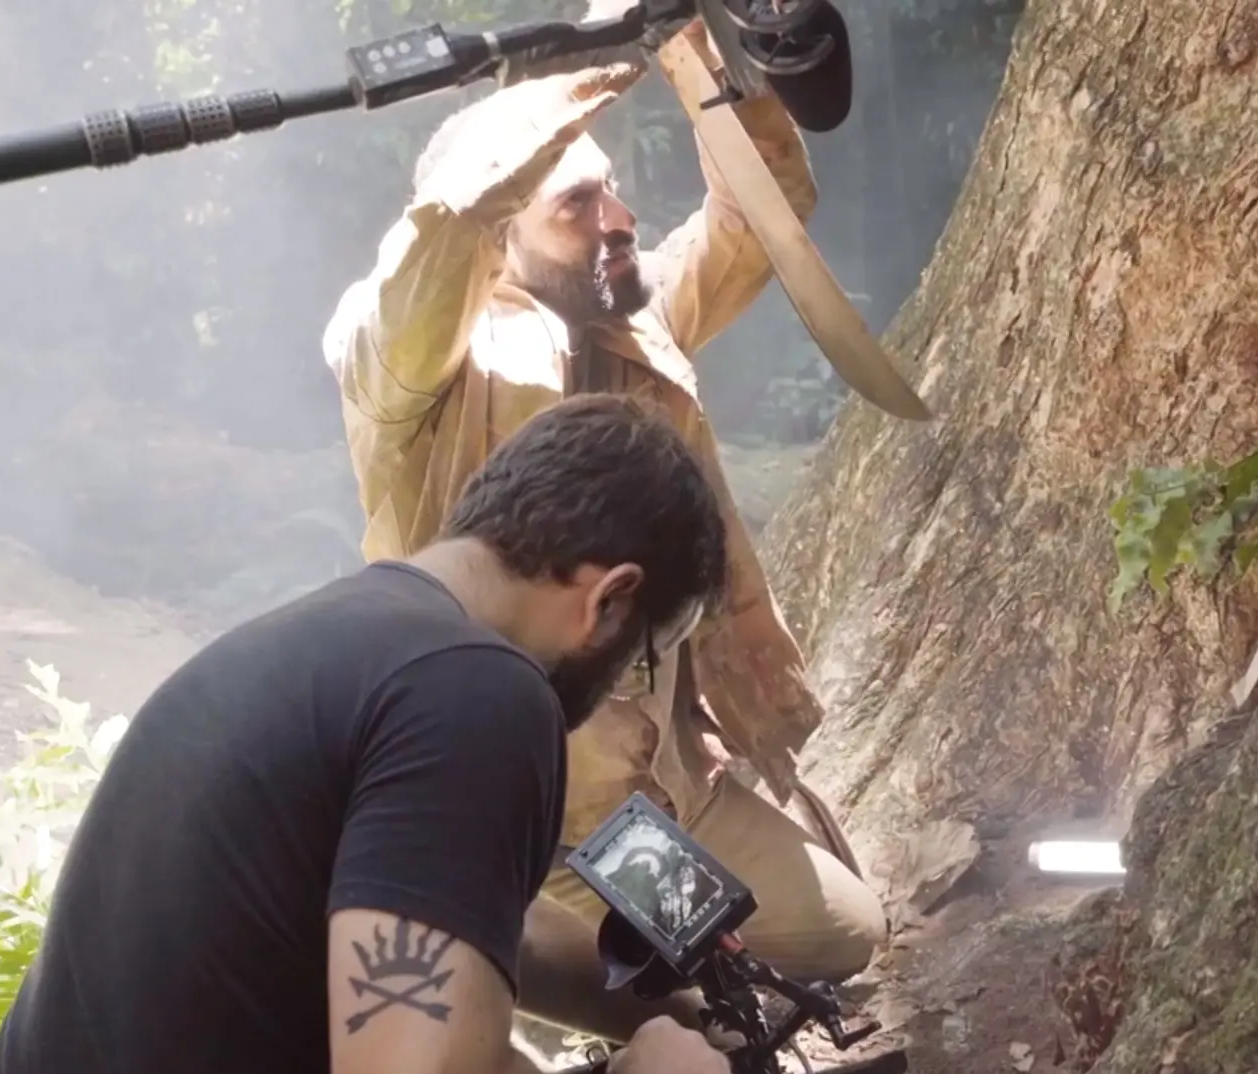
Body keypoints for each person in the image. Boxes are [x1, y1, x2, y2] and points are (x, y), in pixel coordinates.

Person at [320, 24, 888, 1044]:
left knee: (847, 931)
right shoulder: (408, 359)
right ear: (502, 227)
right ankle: (546, 962)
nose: (619, 220)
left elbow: (758, 215)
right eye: (576, 203)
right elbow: (440, 240)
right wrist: (598, 54)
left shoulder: (630, 317)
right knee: (696, 1008)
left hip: (664, 779)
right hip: (538, 807)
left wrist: (691, 47)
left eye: (613, 192)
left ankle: (650, 967)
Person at [0, 395, 733, 1074]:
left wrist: (688, 1015)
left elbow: (474, 920)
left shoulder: (329, 640)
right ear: (610, 601)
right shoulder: (482, 691)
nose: (621, 687)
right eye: (640, 662)